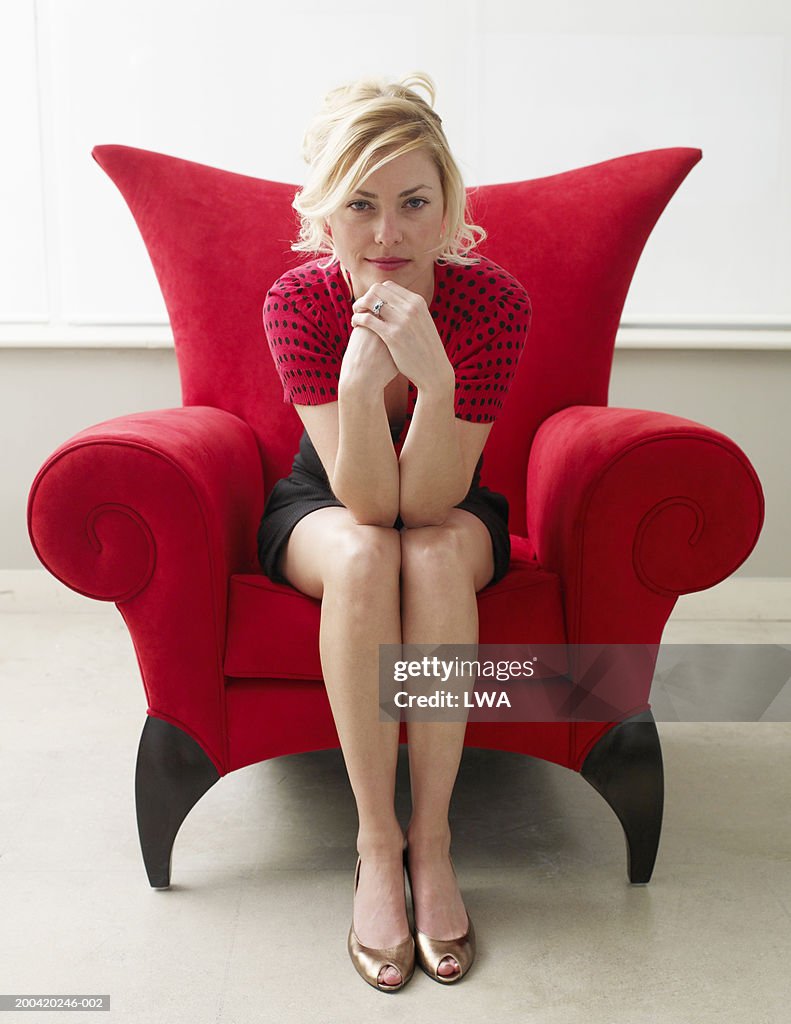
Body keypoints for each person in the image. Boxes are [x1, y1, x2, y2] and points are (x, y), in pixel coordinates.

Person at [257, 70, 532, 991]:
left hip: (451, 499)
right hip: (328, 500)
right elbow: (371, 507)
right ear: (324, 216)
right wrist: (356, 382)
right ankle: (378, 847)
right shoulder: (299, 302)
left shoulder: (491, 300)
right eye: (360, 205)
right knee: (373, 550)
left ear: (448, 205)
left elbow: (433, 502)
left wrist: (437, 381)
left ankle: (434, 844)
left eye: (415, 202)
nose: (388, 234)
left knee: (439, 550)